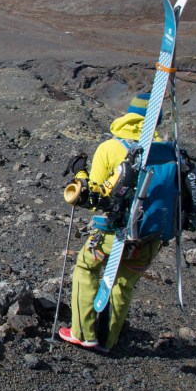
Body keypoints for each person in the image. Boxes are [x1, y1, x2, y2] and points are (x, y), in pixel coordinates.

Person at [59, 93, 163, 352]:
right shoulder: (169, 152)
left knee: (86, 270)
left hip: (113, 233)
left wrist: (79, 171)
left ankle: (84, 333)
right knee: (124, 282)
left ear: (129, 115)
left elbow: (94, 197)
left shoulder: (111, 148)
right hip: (150, 236)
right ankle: (108, 340)